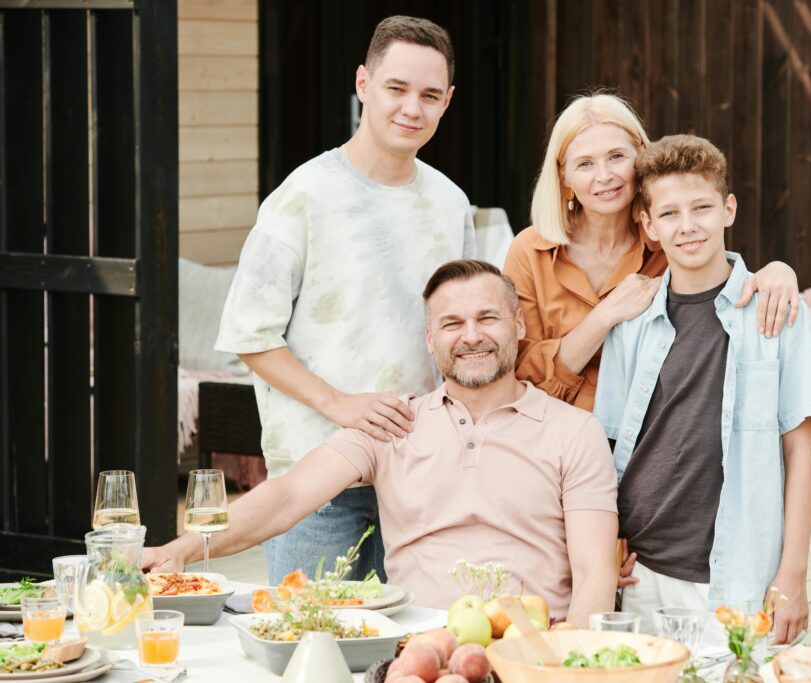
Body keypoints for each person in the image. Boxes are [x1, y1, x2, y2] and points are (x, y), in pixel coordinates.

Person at [147, 260, 620, 626]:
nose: (472, 336)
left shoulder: (574, 431)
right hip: (413, 652)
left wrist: (566, 662)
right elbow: (286, 497)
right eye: (452, 324)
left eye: (488, 318)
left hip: (529, 648)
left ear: (518, 325)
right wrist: (184, 549)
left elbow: (594, 572)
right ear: (430, 339)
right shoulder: (392, 423)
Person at [214, 16, 475, 585]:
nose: (412, 108)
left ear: (448, 101)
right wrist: (339, 404)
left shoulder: (451, 203)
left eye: (430, 95)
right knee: (313, 635)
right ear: (363, 84)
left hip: (416, 476)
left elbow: (462, 335)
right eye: (396, 88)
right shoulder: (302, 197)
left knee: (417, 637)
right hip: (314, 482)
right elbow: (250, 335)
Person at [593, 134, 811, 643]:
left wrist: (793, 573)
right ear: (649, 225)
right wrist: (604, 545)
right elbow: (607, 445)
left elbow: (800, 450)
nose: (687, 226)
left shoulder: (777, 311)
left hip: (740, 575)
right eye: (670, 213)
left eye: (701, 207)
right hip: (643, 570)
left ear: (728, 209)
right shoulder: (631, 321)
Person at [503, 93, 801, 414]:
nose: (604, 176)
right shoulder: (529, 251)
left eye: (616, 156)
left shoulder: (667, 239)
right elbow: (518, 371)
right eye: (585, 164)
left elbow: (721, 293)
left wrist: (777, 271)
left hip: (651, 428)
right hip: (553, 427)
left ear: (640, 157)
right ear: (564, 177)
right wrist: (604, 317)